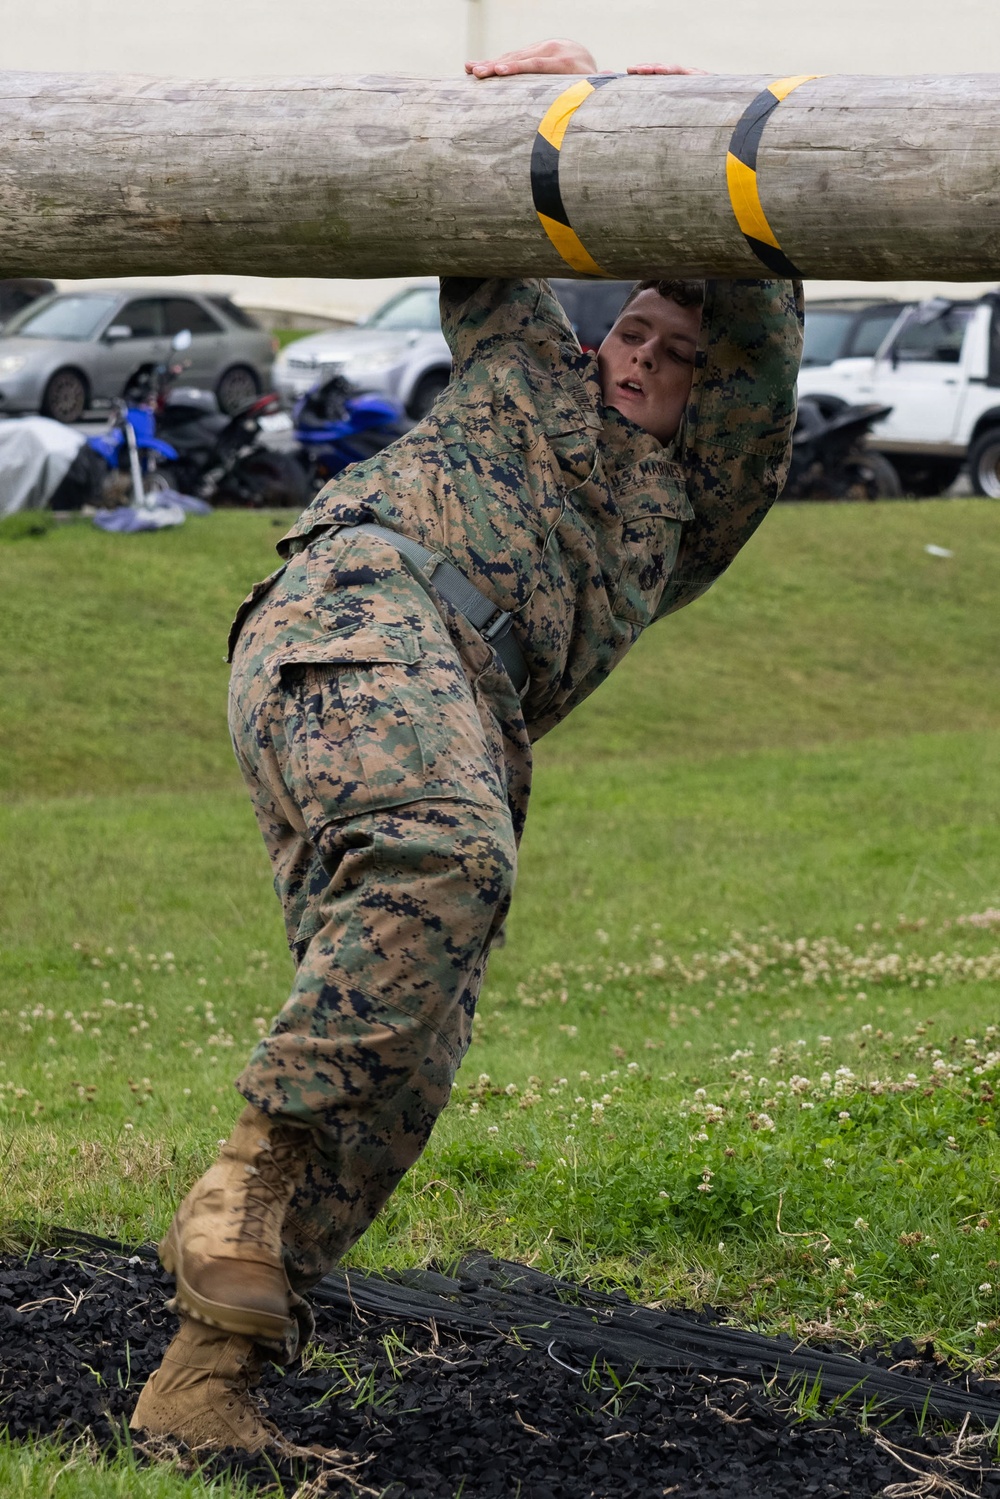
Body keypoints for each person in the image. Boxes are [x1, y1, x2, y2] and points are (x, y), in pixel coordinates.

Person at [130, 37, 803, 1451]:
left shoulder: (691, 512)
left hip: (460, 721)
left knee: (413, 1046)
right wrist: (593, 99)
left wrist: (716, 142)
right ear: (597, 329)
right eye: (635, 333)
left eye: (681, 358)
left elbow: (764, 334)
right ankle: (242, 1183)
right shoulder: (522, 369)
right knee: (443, 849)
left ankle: (207, 1379)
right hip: (357, 616)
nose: (647, 362)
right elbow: (479, 201)